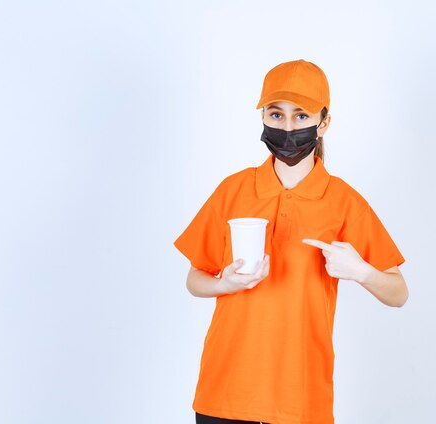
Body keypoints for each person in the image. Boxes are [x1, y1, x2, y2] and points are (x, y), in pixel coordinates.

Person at [174, 59, 408, 424]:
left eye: (301, 116)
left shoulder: (343, 202)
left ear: (324, 123)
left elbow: (398, 293)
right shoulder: (233, 191)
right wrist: (225, 283)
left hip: (301, 399)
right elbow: (194, 279)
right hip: (224, 392)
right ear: (263, 118)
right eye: (276, 114)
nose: (287, 126)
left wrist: (362, 271)